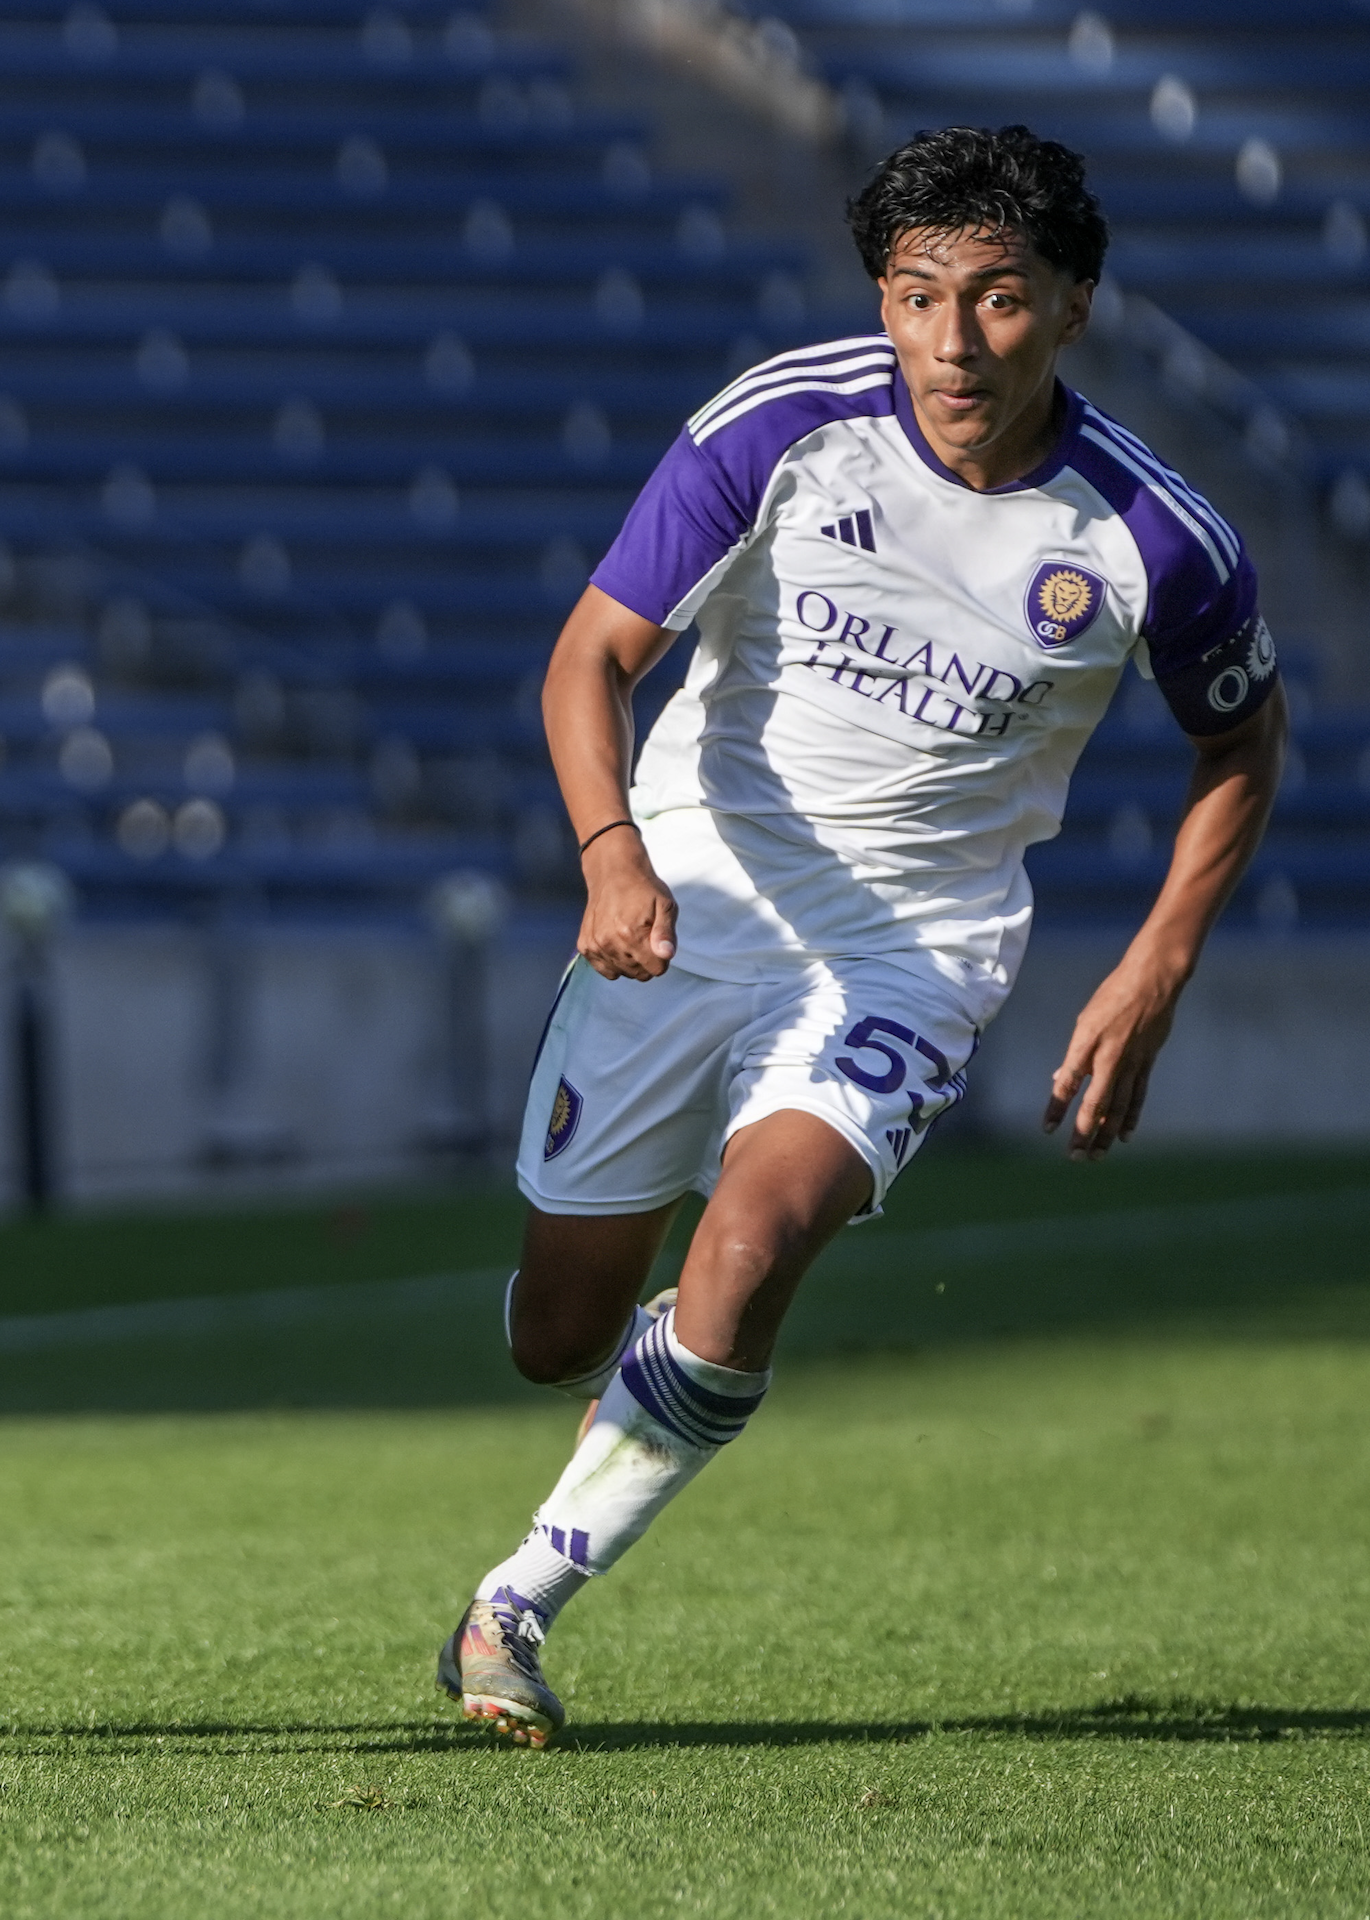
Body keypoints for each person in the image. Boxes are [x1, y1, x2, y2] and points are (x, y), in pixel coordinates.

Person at [436, 124, 1284, 1743]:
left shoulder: (1153, 540)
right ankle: (645, 1354)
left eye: (998, 300)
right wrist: (612, 856)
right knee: (555, 1337)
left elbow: (1240, 741)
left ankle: (514, 1604)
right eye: (915, 297)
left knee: (749, 1260)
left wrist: (1155, 962)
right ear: (879, 298)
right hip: (695, 894)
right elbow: (586, 659)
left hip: (916, 950)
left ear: (1074, 304)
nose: (952, 345)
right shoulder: (781, 428)